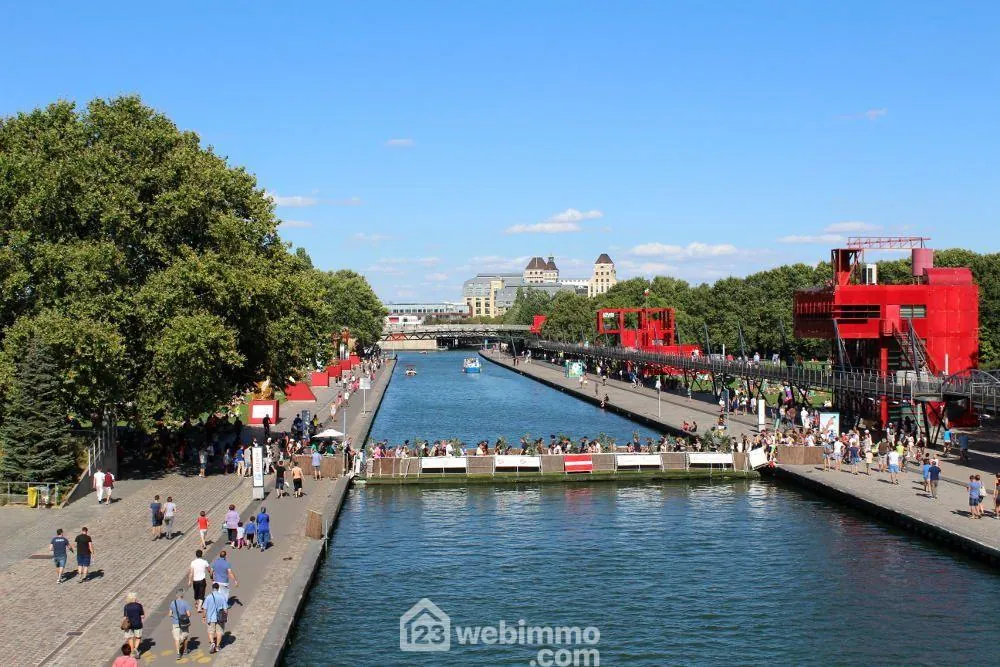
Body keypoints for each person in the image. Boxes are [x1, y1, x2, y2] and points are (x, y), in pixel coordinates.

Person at [203, 582, 229, 654]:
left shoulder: (208, 597)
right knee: (219, 632)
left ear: (212, 588)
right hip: (220, 618)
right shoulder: (222, 597)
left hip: (211, 618)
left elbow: (204, 608)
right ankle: (217, 646)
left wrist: (204, 616)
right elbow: (225, 609)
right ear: (218, 588)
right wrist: (226, 617)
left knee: (210, 631)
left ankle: (212, 642)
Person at [169, 588, 193, 660]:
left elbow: (170, 614)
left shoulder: (172, 603)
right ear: (182, 595)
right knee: (185, 637)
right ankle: (185, 650)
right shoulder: (185, 603)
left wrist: (175, 617)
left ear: (176, 595)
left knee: (176, 639)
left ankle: (178, 653)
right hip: (184, 623)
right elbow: (189, 614)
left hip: (175, 623)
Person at [188, 549, 212, 613]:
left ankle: (196, 603)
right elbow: (209, 569)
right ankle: (199, 607)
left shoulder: (193, 562)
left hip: (195, 580)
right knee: (202, 593)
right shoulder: (204, 562)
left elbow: (191, 573)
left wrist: (189, 581)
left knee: (196, 592)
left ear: (196, 555)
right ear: (201, 555)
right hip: (202, 580)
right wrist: (211, 575)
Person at [122, 591, 145, 657]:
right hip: (138, 624)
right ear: (134, 598)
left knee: (130, 638)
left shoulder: (126, 606)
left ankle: (132, 651)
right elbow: (142, 616)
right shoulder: (139, 606)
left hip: (129, 625)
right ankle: (135, 649)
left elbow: (125, 617)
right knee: (138, 637)